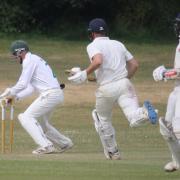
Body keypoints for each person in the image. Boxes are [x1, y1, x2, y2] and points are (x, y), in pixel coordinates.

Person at [68, 18, 158, 160]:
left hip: (106, 90)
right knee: (134, 118)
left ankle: (113, 152)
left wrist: (84, 73)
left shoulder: (92, 45)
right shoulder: (118, 44)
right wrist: (123, 79)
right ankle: (145, 112)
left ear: (91, 33)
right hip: (124, 84)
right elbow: (134, 65)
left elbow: (98, 61)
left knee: (101, 118)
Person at [0, 40, 73, 154]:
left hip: (50, 94)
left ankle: (46, 146)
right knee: (41, 123)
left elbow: (22, 83)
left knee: (25, 117)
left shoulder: (29, 60)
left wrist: (10, 91)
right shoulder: (33, 59)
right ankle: (65, 143)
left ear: (21, 52)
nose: (15, 58)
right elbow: (30, 88)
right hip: (54, 94)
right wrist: (14, 97)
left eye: (15, 54)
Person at [153, 13, 180, 172]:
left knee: (177, 128)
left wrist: (164, 74)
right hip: (176, 89)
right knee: (166, 127)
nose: (177, 27)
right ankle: (177, 162)